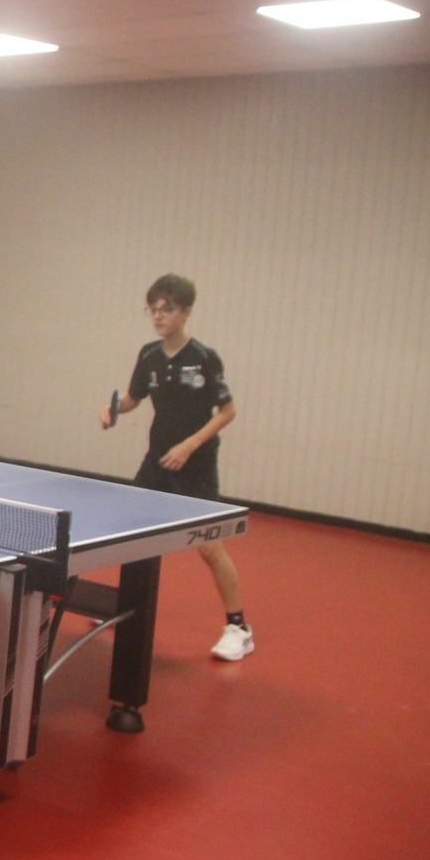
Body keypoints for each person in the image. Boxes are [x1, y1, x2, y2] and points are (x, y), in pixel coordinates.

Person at [100, 273, 251, 661]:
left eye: (166, 309)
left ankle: (239, 628)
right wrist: (114, 408)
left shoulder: (204, 358)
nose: (158, 316)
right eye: (153, 309)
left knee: (209, 546)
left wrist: (189, 445)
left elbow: (228, 411)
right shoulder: (149, 355)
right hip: (158, 460)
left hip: (196, 464)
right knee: (132, 532)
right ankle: (127, 608)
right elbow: (134, 397)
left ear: (185, 312)